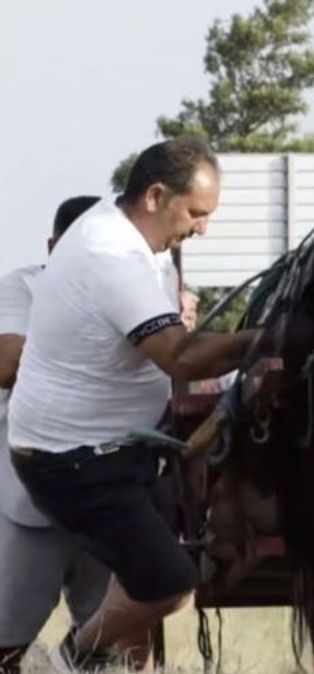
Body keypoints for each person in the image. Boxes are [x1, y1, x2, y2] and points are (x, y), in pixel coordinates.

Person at [7, 138, 260, 670]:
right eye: (196, 213)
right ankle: (65, 661)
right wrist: (269, 337)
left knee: (140, 612)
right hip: (73, 462)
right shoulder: (109, 254)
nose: (202, 228)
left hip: (114, 453)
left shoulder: (138, 244)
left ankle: (86, 657)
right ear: (154, 196)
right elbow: (181, 357)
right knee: (168, 583)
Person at [0, 196, 110, 674]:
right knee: (7, 639)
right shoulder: (22, 287)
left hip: (112, 492)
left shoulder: (133, 293)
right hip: (27, 496)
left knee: (113, 641)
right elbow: (9, 363)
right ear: (53, 247)